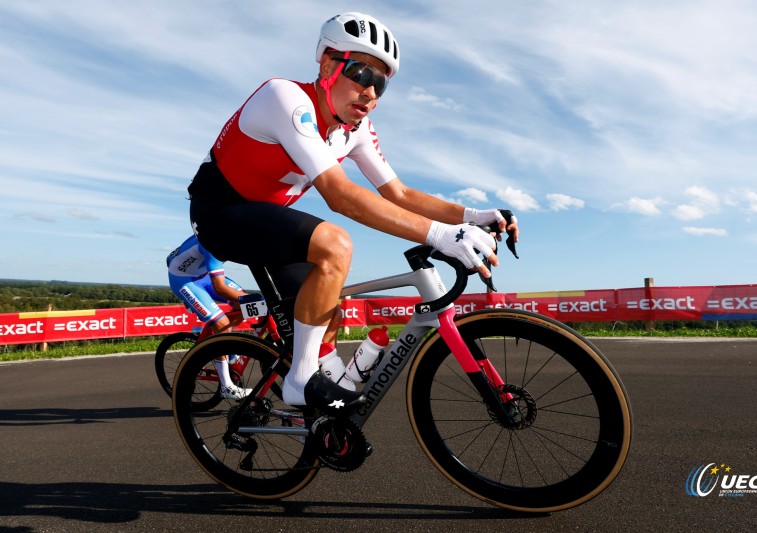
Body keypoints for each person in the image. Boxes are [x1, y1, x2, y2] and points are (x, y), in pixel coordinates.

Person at [187, 12, 520, 410]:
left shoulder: (355, 131)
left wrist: (472, 217)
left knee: (329, 306)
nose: (371, 92)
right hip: (219, 210)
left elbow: (400, 193)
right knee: (335, 245)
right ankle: (300, 382)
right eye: (362, 74)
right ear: (327, 65)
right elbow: (340, 194)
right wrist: (439, 235)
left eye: (381, 84)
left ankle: (322, 415)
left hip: (267, 222)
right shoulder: (285, 98)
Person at [166, 234, 251, 400]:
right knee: (222, 325)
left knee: (245, 305)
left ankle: (229, 352)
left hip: (203, 275)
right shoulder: (215, 241)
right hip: (184, 280)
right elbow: (220, 288)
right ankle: (226, 387)